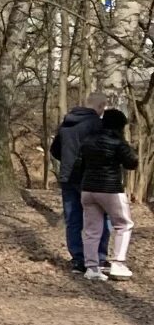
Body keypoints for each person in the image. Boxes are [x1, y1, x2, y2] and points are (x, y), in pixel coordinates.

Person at [72, 107, 137, 283]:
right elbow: (132, 163)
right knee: (123, 225)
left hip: (88, 189)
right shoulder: (118, 142)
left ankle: (92, 267)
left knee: (92, 230)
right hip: (110, 189)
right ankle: (118, 263)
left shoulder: (88, 140)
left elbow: (79, 165)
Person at [51, 95, 111, 271]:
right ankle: (99, 257)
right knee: (100, 217)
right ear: (100, 106)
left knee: (73, 218)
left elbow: (54, 150)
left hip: (68, 177)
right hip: (90, 177)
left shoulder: (66, 124)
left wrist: (68, 161)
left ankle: (77, 259)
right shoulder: (96, 125)